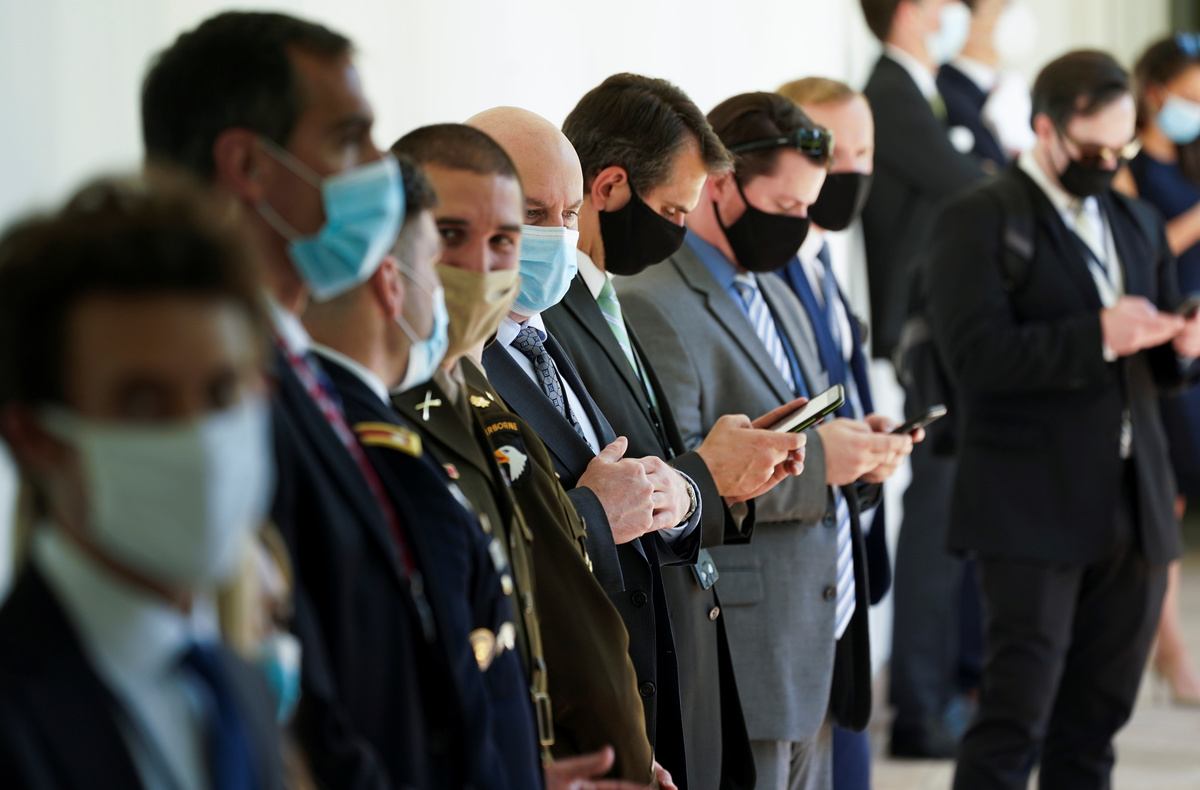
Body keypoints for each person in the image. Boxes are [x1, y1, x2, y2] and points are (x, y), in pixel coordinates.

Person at [141, 12, 467, 787]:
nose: (382, 164)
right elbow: (309, 711)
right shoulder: (214, 394)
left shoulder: (295, 367)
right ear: (249, 166)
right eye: (351, 138)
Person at [473, 94, 807, 790]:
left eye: (568, 215)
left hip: (658, 684)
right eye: (533, 214)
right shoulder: (470, 362)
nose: (559, 237)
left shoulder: (546, 328)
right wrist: (664, 490)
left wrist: (690, 491)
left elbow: (636, 474)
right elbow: (503, 547)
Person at [619, 91, 914, 790]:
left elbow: (805, 419)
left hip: (819, 630)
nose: (798, 224)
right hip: (750, 642)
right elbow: (682, 475)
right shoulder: (654, 299)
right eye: (784, 205)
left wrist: (858, 451)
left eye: (807, 207)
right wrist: (824, 464)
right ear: (722, 185)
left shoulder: (776, 287)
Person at [924, 50, 1200, 789]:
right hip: (1030, 506)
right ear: (1045, 129)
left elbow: (1156, 371)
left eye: (1122, 150)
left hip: (1132, 503)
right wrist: (1098, 335)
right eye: (1093, 150)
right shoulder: (979, 218)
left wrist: (1181, 347)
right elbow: (974, 359)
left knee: (1097, 721)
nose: (1108, 164)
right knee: (1015, 716)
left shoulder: (1136, 220)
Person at [391, 123, 659, 787]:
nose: (486, 264)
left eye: (505, 239)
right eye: (453, 235)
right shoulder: (396, 403)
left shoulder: (499, 369)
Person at [0, 173, 284, 789]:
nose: (202, 443)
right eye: (143, 404)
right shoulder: (15, 712)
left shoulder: (239, 688)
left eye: (221, 393)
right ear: (35, 437)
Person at [301, 155, 543, 789]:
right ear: (392, 284)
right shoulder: (367, 444)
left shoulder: (345, 424)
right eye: (437, 261)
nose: (451, 286)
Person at [858, 0, 990, 758]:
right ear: (909, 9)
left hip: (947, 329)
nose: (955, 11)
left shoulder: (924, 89)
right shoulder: (891, 91)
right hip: (927, 336)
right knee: (937, 519)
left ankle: (938, 695)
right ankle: (918, 707)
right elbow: (970, 184)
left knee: (953, 516)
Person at [774, 76, 906, 790]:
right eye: (834, 153)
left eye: (865, 153)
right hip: (803, 576)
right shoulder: (773, 269)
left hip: (845, 559)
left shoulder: (825, 263)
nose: (851, 171)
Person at [1126, 32, 1200, 707]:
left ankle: (1167, 644)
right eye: (1190, 96)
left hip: (1196, 337)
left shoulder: (1189, 158)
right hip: (1162, 337)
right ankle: (1168, 646)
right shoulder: (1131, 166)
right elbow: (1141, 251)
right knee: (1165, 495)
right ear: (1154, 94)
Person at [938, 0, 1038, 169]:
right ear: (967, 16)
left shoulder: (1018, 89)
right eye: (1002, 5)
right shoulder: (942, 92)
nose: (1014, 16)